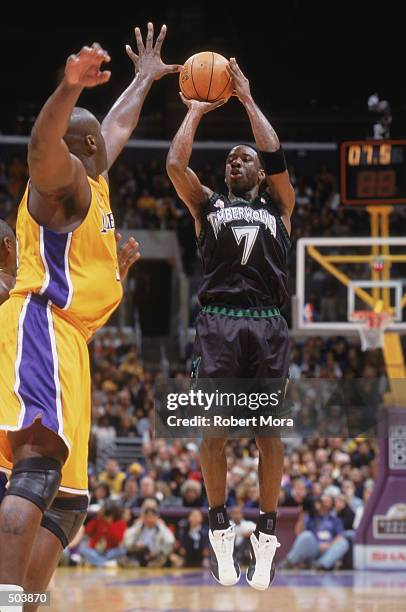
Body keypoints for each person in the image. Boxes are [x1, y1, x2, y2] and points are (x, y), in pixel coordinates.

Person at [0, 23, 179, 609]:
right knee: (37, 465)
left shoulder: (94, 181)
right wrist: (68, 91)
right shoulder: (64, 183)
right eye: (94, 137)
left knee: (70, 500)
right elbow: (40, 150)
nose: (107, 138)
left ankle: (27, 603)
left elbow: (118, 124)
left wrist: (144, 79)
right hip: (41, 325)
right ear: (82, 148)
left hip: (69, 341)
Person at [166, 58, 295, 590]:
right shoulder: (208, 205)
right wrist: (194, 112)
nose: (237, 161)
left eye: (246, 158)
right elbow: (176, 166)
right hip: (219, 323)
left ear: (261, 174)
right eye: (232, 159)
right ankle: (220, 530)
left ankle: (264, 537)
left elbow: (275, 149)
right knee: (213, 431)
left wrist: (244, 97)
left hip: (268, 325)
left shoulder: (281, 207)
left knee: (270, 436)